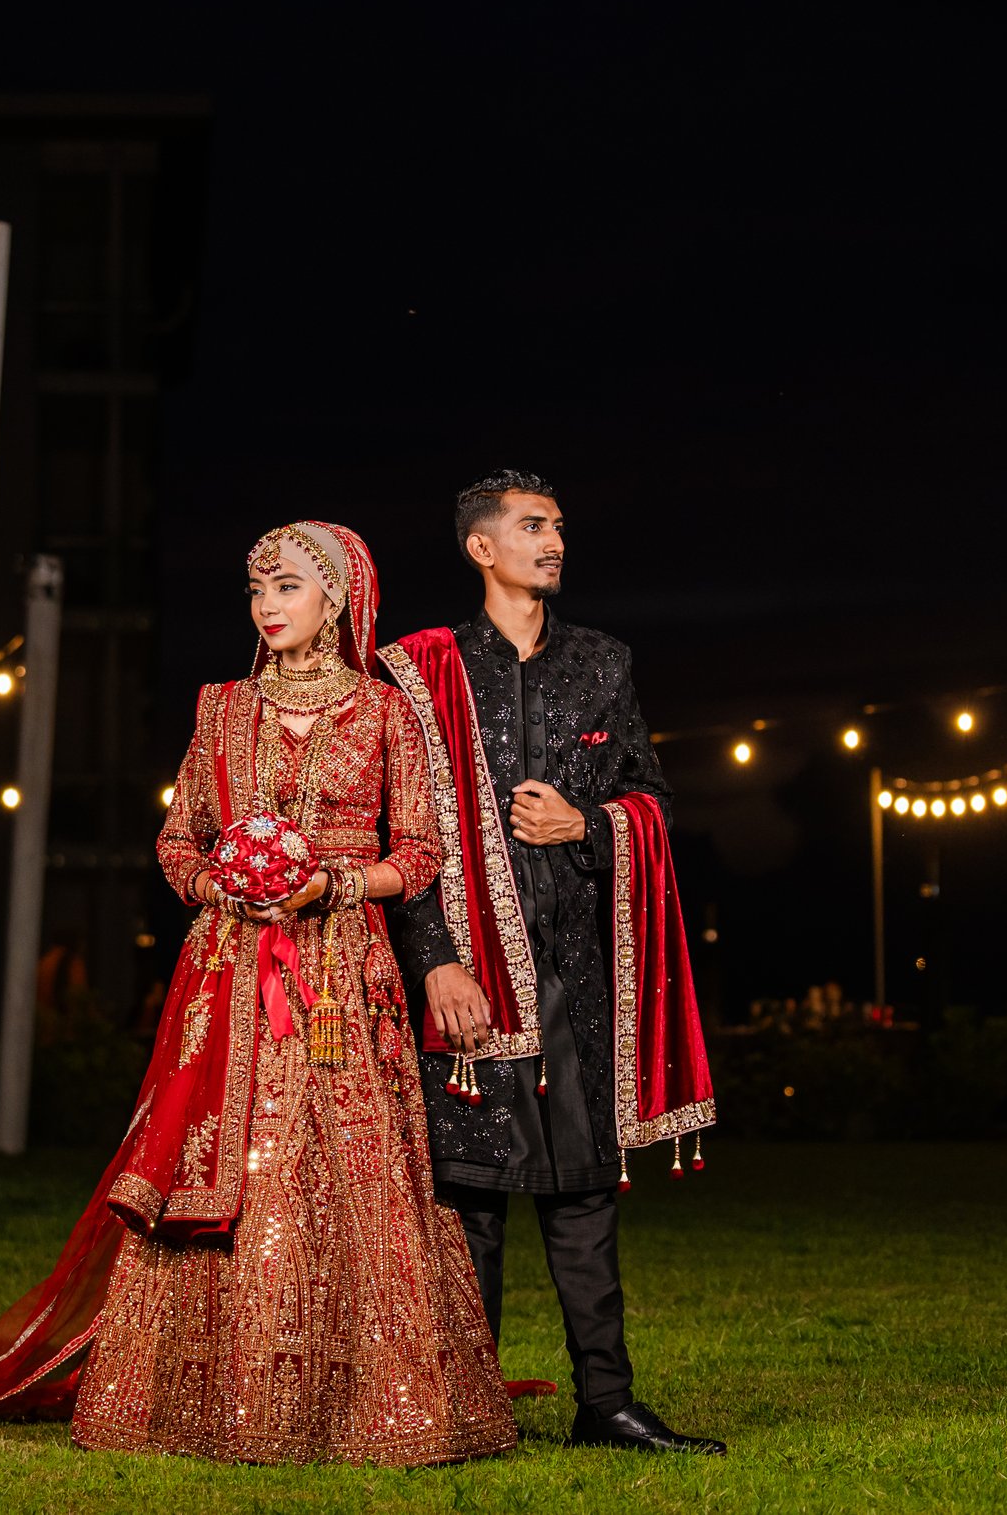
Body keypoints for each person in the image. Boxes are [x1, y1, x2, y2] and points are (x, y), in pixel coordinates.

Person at [0, 521, 518, 1468]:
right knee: (228, 1163)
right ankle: (198, 1399)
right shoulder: (221, 710)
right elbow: (177, 843)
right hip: (229, 968)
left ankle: (367, 1401)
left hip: (338, 971)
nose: (267, 607)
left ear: (334, 598)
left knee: (343, 1166)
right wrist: (227, 881)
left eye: (287, 587)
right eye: (256, 591)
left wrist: (325, 885)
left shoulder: (383, 715)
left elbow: (417, 855)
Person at [382, 470, 725, 1455]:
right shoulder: (418, 670)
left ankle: (605, 1404)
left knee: (581, 1190)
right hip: (466, 975)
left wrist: (591, 824)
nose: (555, 540)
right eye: (533, 526)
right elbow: (397, 831)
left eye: (560, 526)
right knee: (473, 1198)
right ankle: (473, 1406)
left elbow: (649, 794)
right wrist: (438, 961)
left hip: (575, 965)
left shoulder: (602, 663)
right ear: (480, 547)